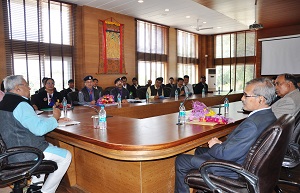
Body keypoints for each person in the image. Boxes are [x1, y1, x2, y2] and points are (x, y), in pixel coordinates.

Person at [174, 77, 277, 193]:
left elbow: (226, 154)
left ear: (261, 100)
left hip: (231, 168)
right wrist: (221, 145)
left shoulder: (252, 125)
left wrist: (215, 145)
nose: (242, 98)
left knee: (181, 160)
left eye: (246, 95)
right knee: (199, 151)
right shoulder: (269, 116)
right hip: (241, 159)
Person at [0, 75, 72, 193]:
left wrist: (55, 121)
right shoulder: (21, 104)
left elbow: (28, 122)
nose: (29, 88)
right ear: (18, 88)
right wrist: (55, 117)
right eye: (27, 85)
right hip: (25, 152)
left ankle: (35, 186)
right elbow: (39, 129)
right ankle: (46, 191)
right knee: (65, 156)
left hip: (10, 151)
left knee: (49, 149)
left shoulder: (4, 103)